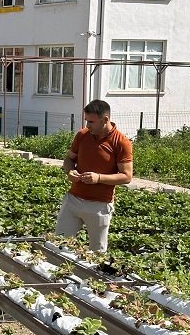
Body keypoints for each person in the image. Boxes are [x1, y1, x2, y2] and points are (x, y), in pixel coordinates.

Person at [55, 99, 133, 252]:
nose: (87, 126)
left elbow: (127, 176)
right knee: (59, 245)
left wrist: (98, 178)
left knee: (97, 252)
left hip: (99, 205)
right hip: (73, 200)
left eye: (91, 122)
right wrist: (69, 171)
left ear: (105, 120)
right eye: (86, 121)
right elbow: (69, 158)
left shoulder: (121, 142)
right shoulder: (82, 135)